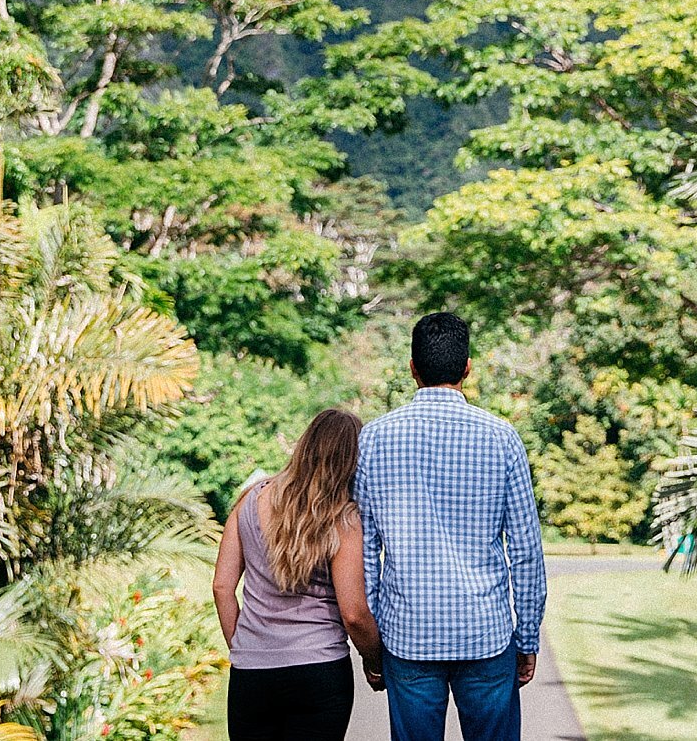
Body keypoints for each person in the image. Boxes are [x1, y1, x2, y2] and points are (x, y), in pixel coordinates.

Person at [354, 311, 548, 741]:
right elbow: (526, 550)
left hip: (406, 636)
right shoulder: (501, 437)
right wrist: (528, 636)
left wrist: (371, 646)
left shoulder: (374, 438)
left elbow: (364, 548)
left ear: (412, 369)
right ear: (467, 368)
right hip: (486, 634)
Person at [212, 407, 384, 741]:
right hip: (318, 671)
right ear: (351, 460)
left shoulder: (250, 500)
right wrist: (375, 661)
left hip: (252, 674)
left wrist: (244, 647)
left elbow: (222, 586)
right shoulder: (344, 518)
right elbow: (354, 613)